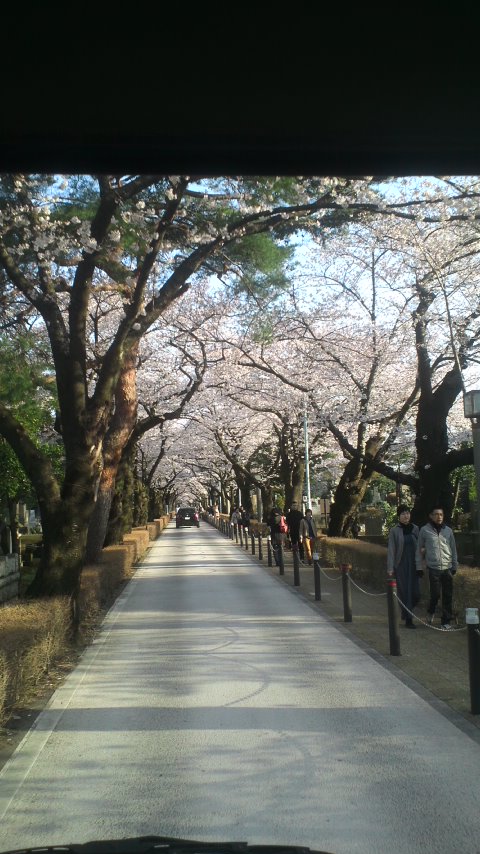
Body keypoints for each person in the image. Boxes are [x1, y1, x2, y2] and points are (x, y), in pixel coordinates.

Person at [416, 506, 458, 630]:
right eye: (436, 514)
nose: (439, 517)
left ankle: (446, 621)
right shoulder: (424, 530)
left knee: (447, 595)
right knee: (435, 594)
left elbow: (453, 549)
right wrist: (419, 567)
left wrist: (454, 565)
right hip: (433, 568)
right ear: (431, 516)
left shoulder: (448, 531)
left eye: (441, 514)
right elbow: (419, 550)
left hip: (447, 568)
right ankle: (431, 611)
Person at [387, 504, 420, 628]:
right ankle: (408, 619)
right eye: (403, 514)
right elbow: (391, 550)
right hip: (401, 565)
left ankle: (406, 612)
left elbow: (421, 545)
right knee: (404, 592)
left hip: (414, 564)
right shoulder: (395, 530)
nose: (406, 516)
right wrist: (390, 568)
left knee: (416, 593)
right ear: (399, 516)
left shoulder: (415, 529)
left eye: (408, 513)